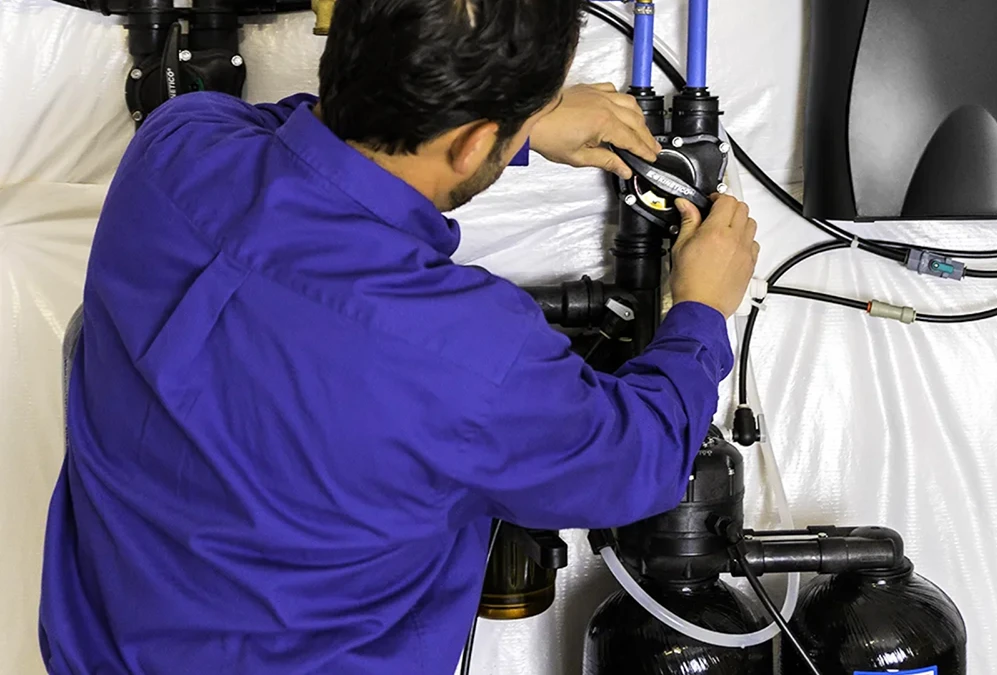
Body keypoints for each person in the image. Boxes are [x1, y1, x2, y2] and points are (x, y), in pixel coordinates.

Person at [37, 0, 759, 673]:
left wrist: (512, 127)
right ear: (475, 144)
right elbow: (639, 458)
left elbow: (294, 140)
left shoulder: (175, 147)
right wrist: (700, 306)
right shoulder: (470, 356)